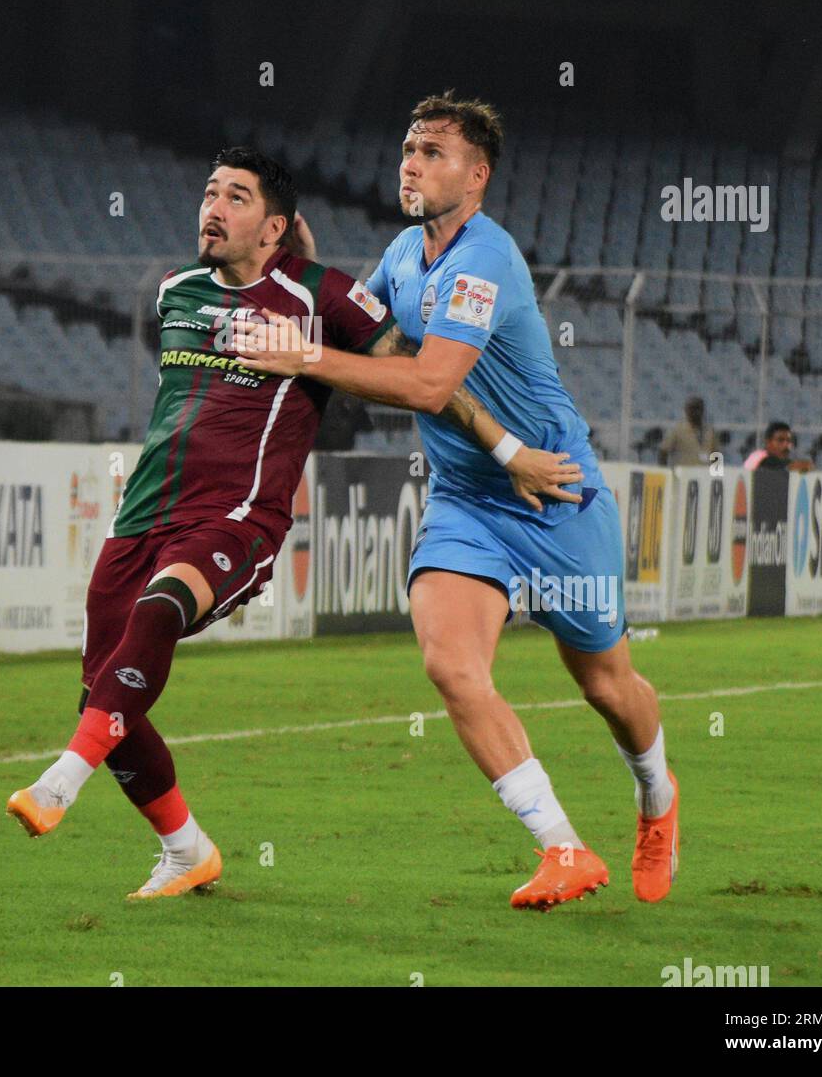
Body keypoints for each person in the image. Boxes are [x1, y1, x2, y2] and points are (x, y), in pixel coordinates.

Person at [6, 147, 580, 899]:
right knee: (104, 694)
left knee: (160, 609)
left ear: (275, 225)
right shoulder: (175, 292)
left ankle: (61, 779)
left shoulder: (324, 297)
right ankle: (185, 849)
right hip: (139, 516)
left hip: (238, 518)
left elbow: (422, 380)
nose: (213, 208)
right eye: (210, 192)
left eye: (237, 198)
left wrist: (507, 451)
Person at [233, 92, 680, 910]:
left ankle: (657, 798)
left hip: (552, 489)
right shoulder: (404, 253)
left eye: (433, 152)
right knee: (449, 664)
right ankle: (564, 849)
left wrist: (300, 357)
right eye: (409, 148)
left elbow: (431, 382)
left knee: (607, 686)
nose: (412, 162)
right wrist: (305, 275)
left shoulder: (486, 260)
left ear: (476, 176)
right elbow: (364, 340)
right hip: (468, 501)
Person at [658, 395, 716, 466]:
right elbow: (663, 452)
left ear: (703, 410)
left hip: (704, 473)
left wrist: (717, 475)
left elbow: (716, 454)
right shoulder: (677, 430)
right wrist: (665, 472)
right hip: (684, 473)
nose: (695, 412)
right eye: (692, 409)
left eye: (698, 408)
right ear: (686, 411)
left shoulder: (710, 431)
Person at [744, 420, 815, 472]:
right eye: (780, 440)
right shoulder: (760, 460)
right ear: (768, 442)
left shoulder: (786, 461)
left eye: (789, 441)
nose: (786, 444)